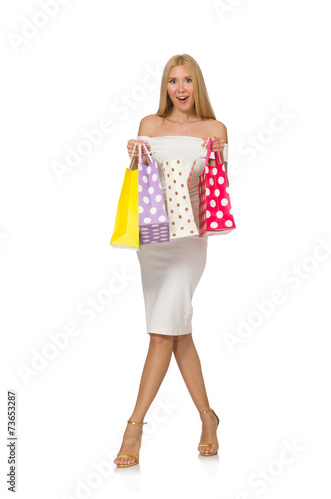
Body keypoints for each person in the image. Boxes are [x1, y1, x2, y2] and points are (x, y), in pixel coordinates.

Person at [114, 53, 229, 468]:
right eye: (172, 81)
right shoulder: (150, 125)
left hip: (190, 241)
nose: (180, 89)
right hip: (155, 239)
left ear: (197, 85)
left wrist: (216, 159)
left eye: (187, 81)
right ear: (165, 87)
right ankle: (208, 418)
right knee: (176, 331)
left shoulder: (215, 130)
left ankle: (133, 428)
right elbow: (142, 183)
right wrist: (133, 154)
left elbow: (219, 189)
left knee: (162, 332)